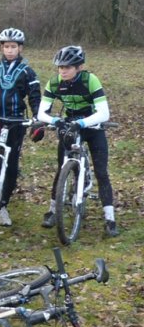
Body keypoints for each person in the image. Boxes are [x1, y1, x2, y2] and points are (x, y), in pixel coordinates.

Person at [37, 46, 118, 237]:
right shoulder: (55, 83)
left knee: (101, 171)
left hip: (92, 126)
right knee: (61, 168)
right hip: (69, 125)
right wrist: (55, 120)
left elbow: (104, 113)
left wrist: (81, 123)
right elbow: (42, 112)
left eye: (67, 67)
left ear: (79, 67)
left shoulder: (90, 80)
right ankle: (52, 210)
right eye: (60, 67)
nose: (62, 71)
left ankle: (110, 218)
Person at [0, 28, 41, 227]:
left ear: (20, 48)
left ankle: (2, 205)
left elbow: (35, 97)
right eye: (6, 47)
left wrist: (37, 117)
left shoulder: (28, 72)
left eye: (13, 47)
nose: (10, 50)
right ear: (2, 48)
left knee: (10, 166)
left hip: (16, 122)